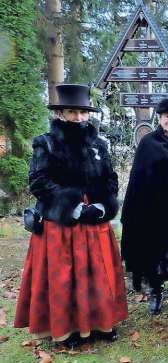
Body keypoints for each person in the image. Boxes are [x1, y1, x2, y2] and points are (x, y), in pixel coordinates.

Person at [14, 84, 128, 346]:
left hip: (95, 221)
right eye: (71, 112)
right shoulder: (46, 143)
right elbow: (39, 181)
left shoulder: (99, 144)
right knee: (65, 278)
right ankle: (67, 330)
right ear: (60, 114)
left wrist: (101, 206)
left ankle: (101, 323)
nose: (78, 118)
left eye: (82, 112)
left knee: (98, 275)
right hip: (61, 222)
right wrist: (73, 207)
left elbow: (110, 179)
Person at [121, 98, 168, 317]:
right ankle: (156, 292)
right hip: (152, 212)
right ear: (160, 118)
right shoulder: (148, 144)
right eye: (167, 117)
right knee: (154, 254)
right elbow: (138, 179)